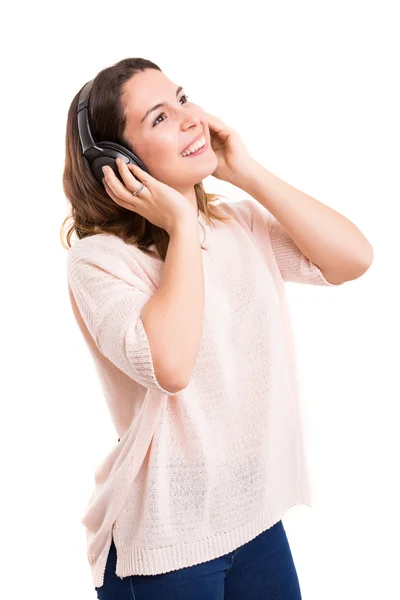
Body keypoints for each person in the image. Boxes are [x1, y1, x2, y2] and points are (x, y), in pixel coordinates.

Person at [61, 57, 349, 599]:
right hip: (168, 531)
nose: (191, 118)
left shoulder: (236, 225)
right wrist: (180, 221)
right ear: (117, 162)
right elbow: (170, 367)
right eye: (159, 118)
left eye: (183, 98)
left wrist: (248, 173)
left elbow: (350, 259)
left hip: (251, 513)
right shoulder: (100, 261)